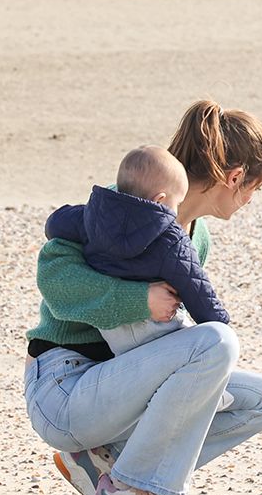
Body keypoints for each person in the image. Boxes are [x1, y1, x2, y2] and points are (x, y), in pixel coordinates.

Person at [24, 100, 262, 495]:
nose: (252, 199)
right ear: (236, 178)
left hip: (118, 391)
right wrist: (141, 299)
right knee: (216, 342)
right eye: (255, 188)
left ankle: (110, 468)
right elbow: (56, 283)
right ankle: (133, 492)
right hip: (64, 385)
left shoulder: (196, 241)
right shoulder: (120, 212)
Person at [44, 145, 229, 355]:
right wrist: (221, 324)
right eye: (177, 202)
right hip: (156, 325)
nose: (177, 210)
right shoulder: (171, 238)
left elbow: (55, 224)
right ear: (160, 200)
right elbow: (195, 287)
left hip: (112, 327)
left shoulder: (92, 218)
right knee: (206, 350)